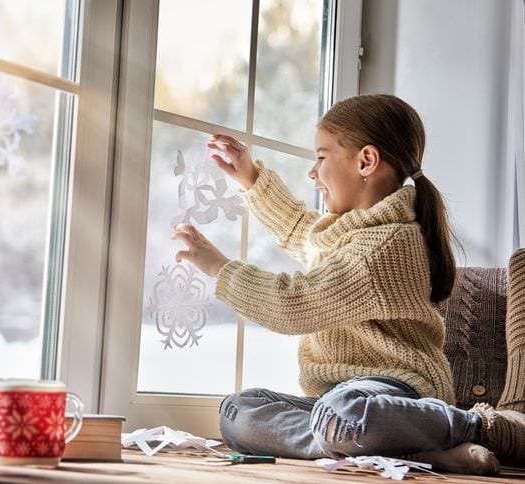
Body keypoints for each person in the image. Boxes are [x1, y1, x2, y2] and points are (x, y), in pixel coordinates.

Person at [171, 94, 525, 474]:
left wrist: (221, 268)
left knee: (342, 415)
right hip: (336, 400)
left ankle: (478, 427)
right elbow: (298, 230)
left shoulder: (385, 246)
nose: (313, 172)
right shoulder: (347, 234)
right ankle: (409, 452)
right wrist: (250, 179)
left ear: (366, 161)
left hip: (395, 392)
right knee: (238, 412)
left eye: (321, 157)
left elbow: (296, 305)